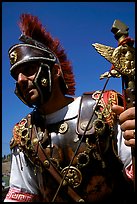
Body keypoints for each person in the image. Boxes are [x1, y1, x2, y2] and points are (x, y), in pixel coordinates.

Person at [4, 13, 135, 203]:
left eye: (29, 69)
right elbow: (21, 195)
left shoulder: (105, 107)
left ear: (56, 71)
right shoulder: (23, 135)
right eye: (16, 76)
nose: (21, 80)